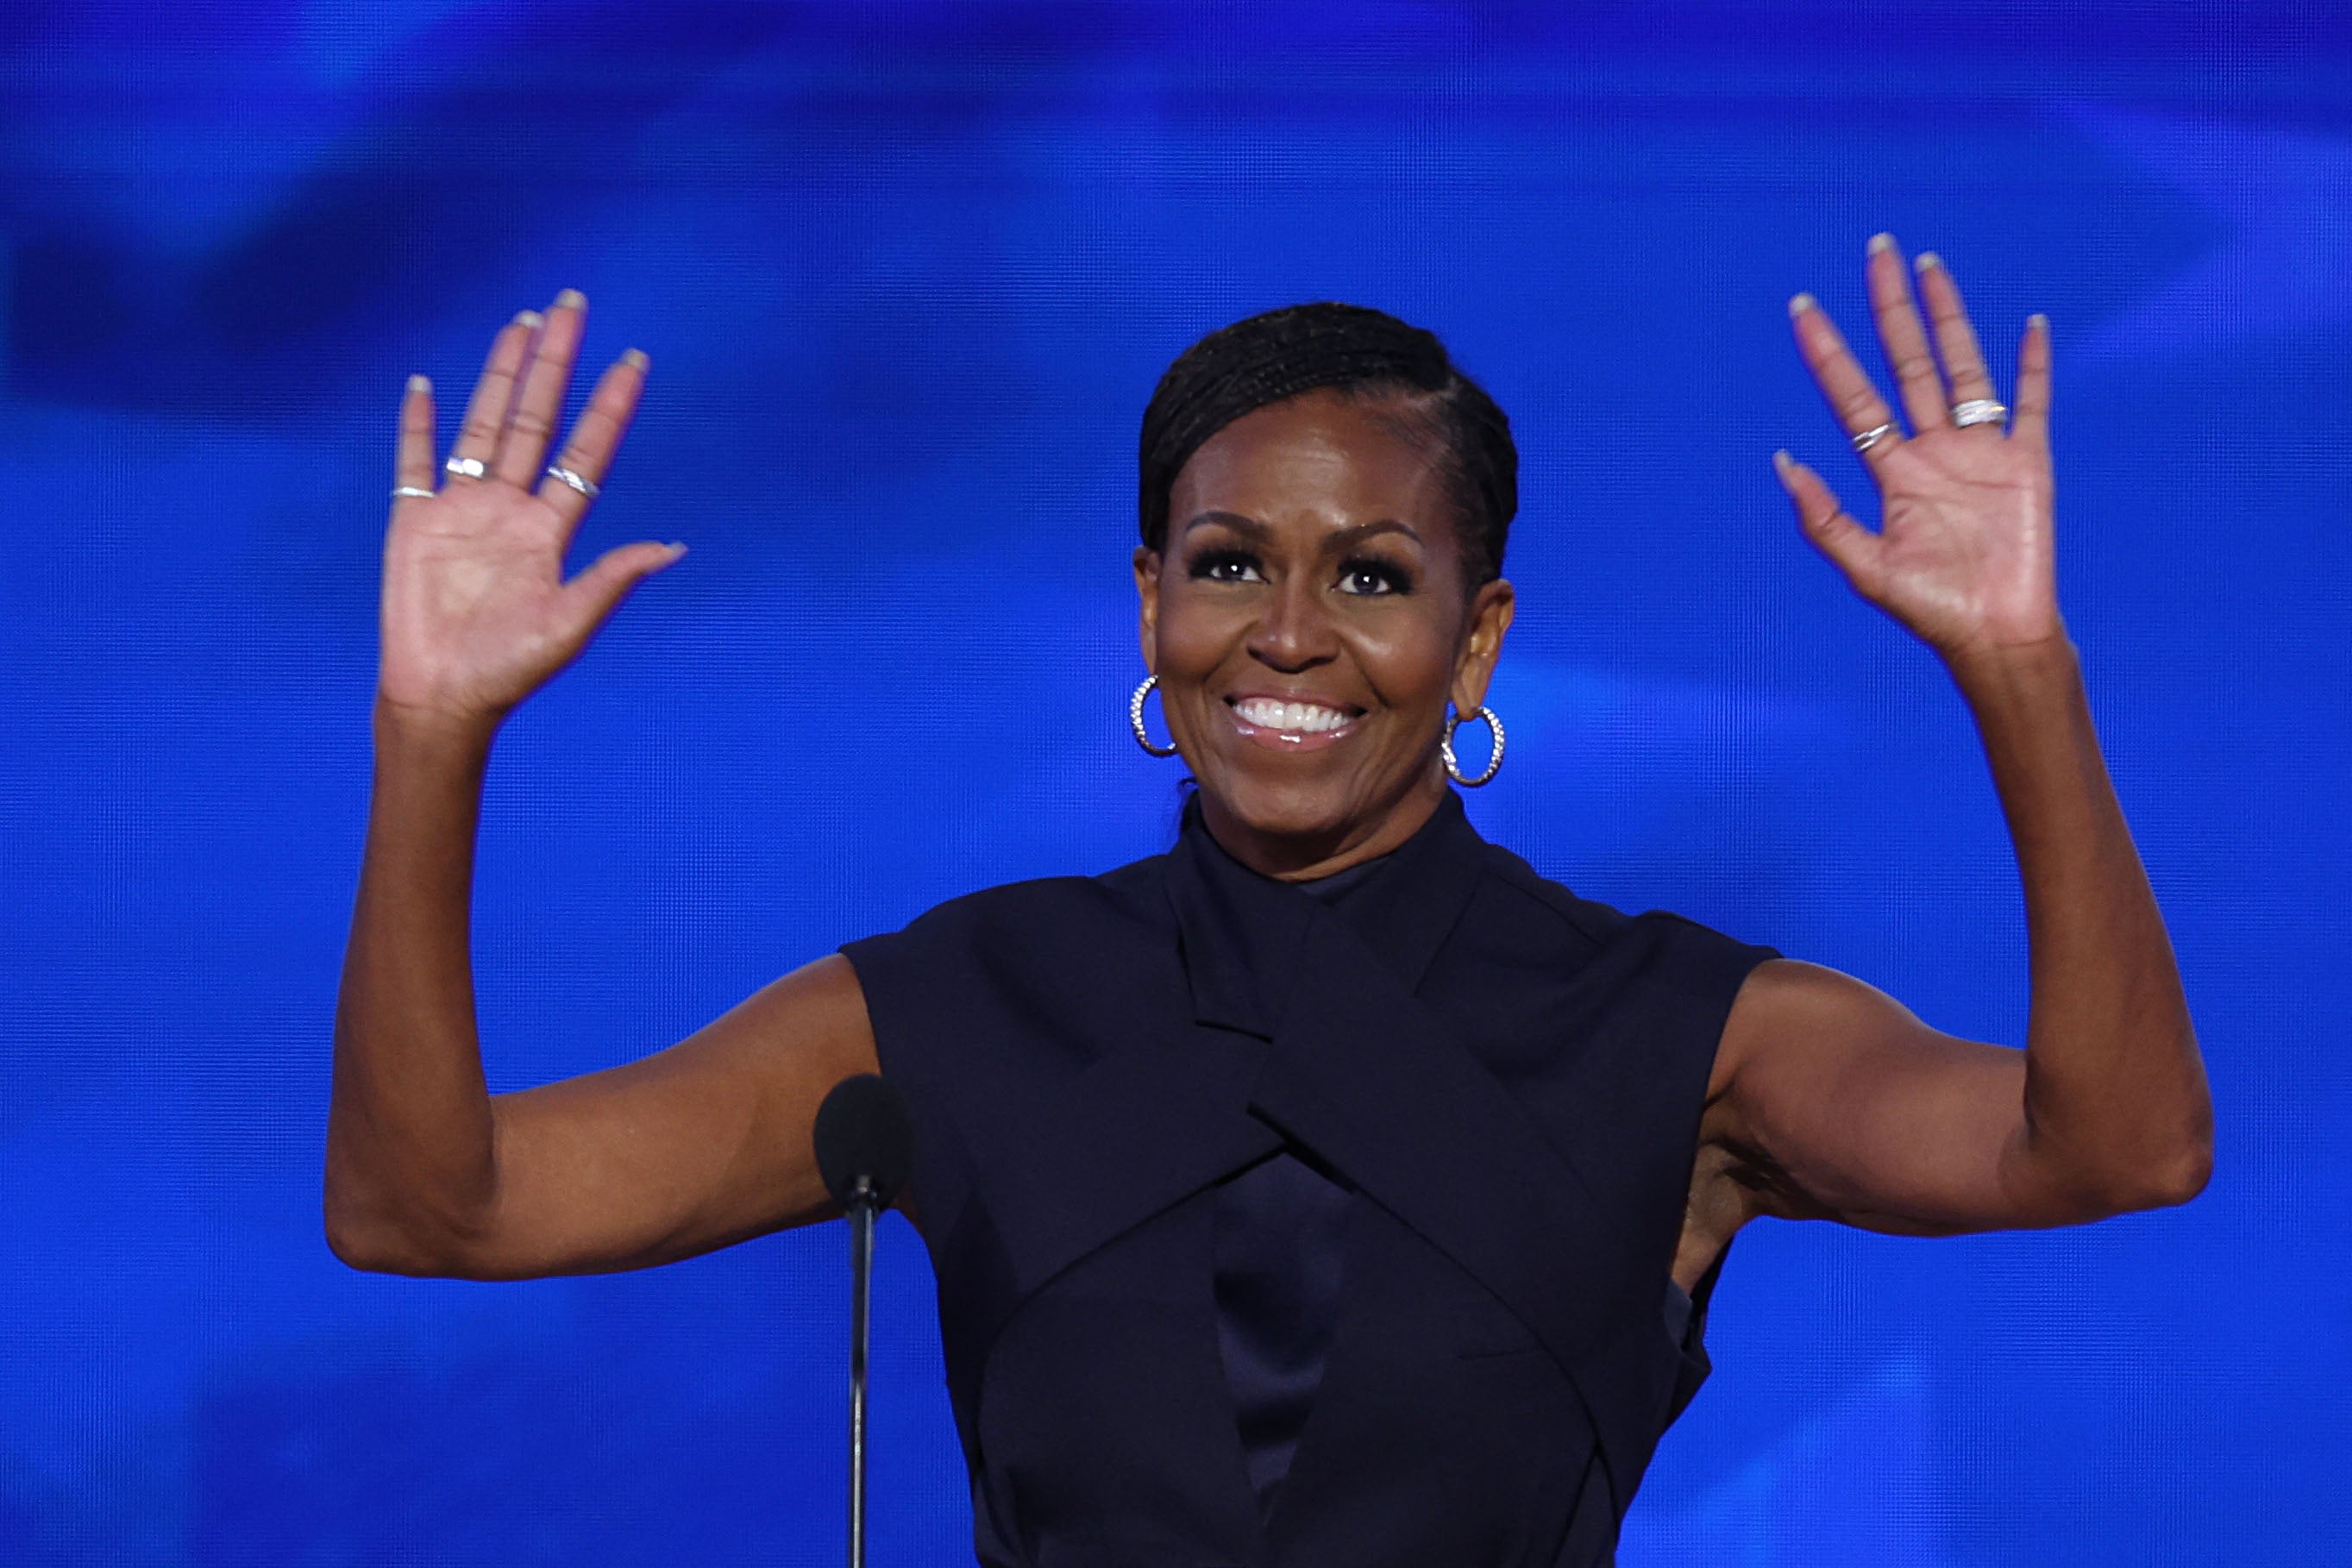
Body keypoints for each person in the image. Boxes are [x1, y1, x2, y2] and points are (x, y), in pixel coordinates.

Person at [327, 241, 2211, 1566]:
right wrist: (431, 732)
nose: (1288, 635)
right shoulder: (959, 1007)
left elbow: (2114, 1147)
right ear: (1150, 600)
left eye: (1374, 579)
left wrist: (2016, 666)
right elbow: (431, 1209)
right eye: (1229, 564)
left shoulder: (1674, 1035)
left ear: (1476, 644)